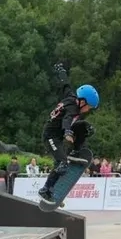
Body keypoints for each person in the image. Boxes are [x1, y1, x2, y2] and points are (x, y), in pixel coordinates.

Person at [38, 63, 99, 204]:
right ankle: (46, 190)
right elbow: (67, 119)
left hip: (60, 133)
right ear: (82, 102)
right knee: (62, 164)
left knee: (85, 127)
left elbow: (65, 84)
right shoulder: (73, 109)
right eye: (89, 107)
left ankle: (75, 151)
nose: (88, 110)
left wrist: (61, 72)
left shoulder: (70, 96)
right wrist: (67, 132)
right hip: (51, 137)